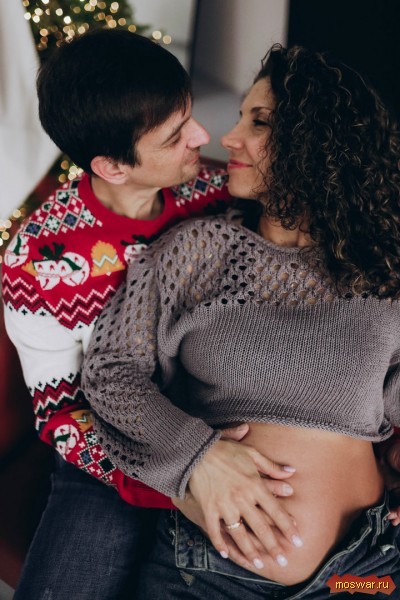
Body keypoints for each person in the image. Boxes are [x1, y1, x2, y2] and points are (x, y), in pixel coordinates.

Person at [81, 44, 400, 599]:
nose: (229, 139)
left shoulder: (382, 269)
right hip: (207, 574)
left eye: (260, 122)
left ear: (319, 141)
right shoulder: (196, 251)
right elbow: (111, 373)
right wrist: (197, 456)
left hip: (363, 573)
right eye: (240, 118)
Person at [1, 28, 243, 599]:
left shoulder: (219, 195)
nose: (203, 136)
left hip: (233, 422)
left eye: (189, 115)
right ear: (111, 166)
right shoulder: (36, 260)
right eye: (175, 135)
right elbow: (63, 414)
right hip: (112, 463)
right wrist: (178, 481)